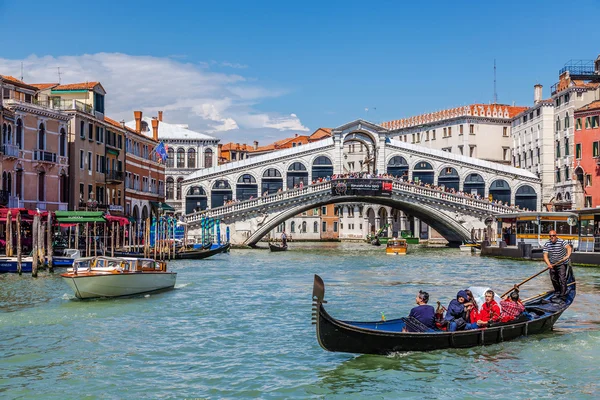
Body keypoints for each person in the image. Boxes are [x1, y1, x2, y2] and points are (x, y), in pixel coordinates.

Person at [543, 229, 572, 302]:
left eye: (553, 235)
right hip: (552, 264)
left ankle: (563, 294)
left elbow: (568, 247)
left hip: (562, 263)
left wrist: (568, 255)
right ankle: (557, 291)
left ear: (556, 236)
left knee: (562, 279)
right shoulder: (547, 244)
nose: (552, 237)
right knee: (553, 278)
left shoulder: (561, 241)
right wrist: (549, 264)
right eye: (550, 236)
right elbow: (545, 255)